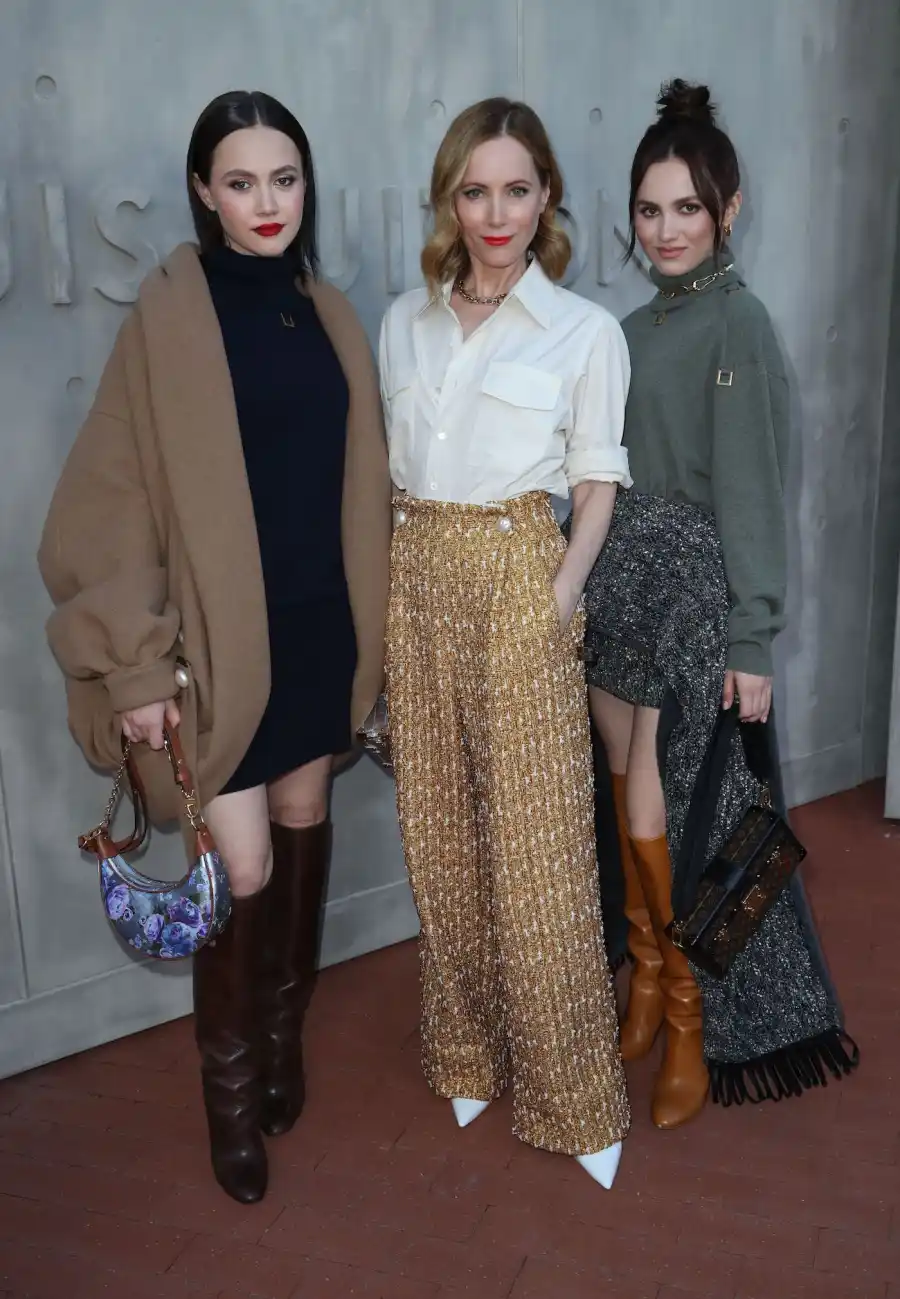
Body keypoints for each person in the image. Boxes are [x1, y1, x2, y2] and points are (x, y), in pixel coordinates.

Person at [38, 90, 391, 1203]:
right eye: (240, 182)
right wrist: (136, 666)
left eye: (284, 179)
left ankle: (283, 1040)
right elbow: (105, 506)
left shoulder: (327, 310)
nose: (266, 202)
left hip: (318, 630)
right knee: (238, 868)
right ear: (203, 190)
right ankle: (230, 1095)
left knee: (301, 826)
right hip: (218, 652)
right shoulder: (168, 317)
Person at [582, 79, 858, 1130]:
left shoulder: (740, 325)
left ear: (728, 209)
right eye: (649, 211)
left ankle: (691, 1007)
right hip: (618, 580)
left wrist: (755, 633)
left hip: (697, 589)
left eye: (687, 209)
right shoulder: (628, 326)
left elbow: (755, 488)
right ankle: (647, 971)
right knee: (620, 798)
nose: (666, 230)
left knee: (671, 813)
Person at [379, 97, 631, 1190]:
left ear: (546, 199)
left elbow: (596, 478)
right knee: (439, 829)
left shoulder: (585, 330)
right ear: (448, 197)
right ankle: (469, 1050)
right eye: (474, 190)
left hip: (521, 570)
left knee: (540, 849)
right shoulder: (404, 323)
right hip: (417, 571)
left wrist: (561, 596)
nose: (495, 213)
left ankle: (574, 1095)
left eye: (516, 190)